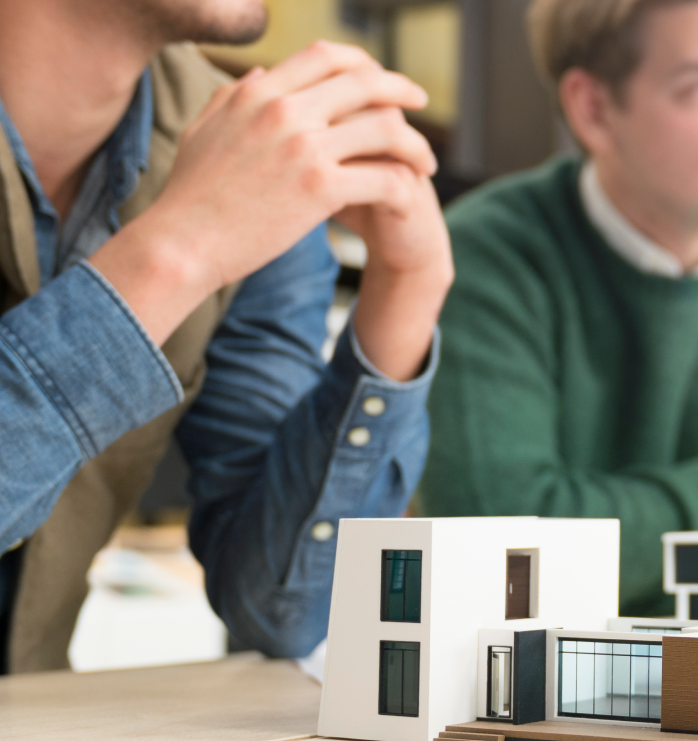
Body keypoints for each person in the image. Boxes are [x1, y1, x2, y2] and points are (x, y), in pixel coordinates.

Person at [0, 1, 453, 672]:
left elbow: (278, 611)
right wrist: (174, 254)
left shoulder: (249, 142)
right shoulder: (244, 156)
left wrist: (408, 290)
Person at [418, 0, 698, 616]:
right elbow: (494, 553)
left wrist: (592, 546)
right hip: (521, 695)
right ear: (595, 110)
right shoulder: (487, 251)